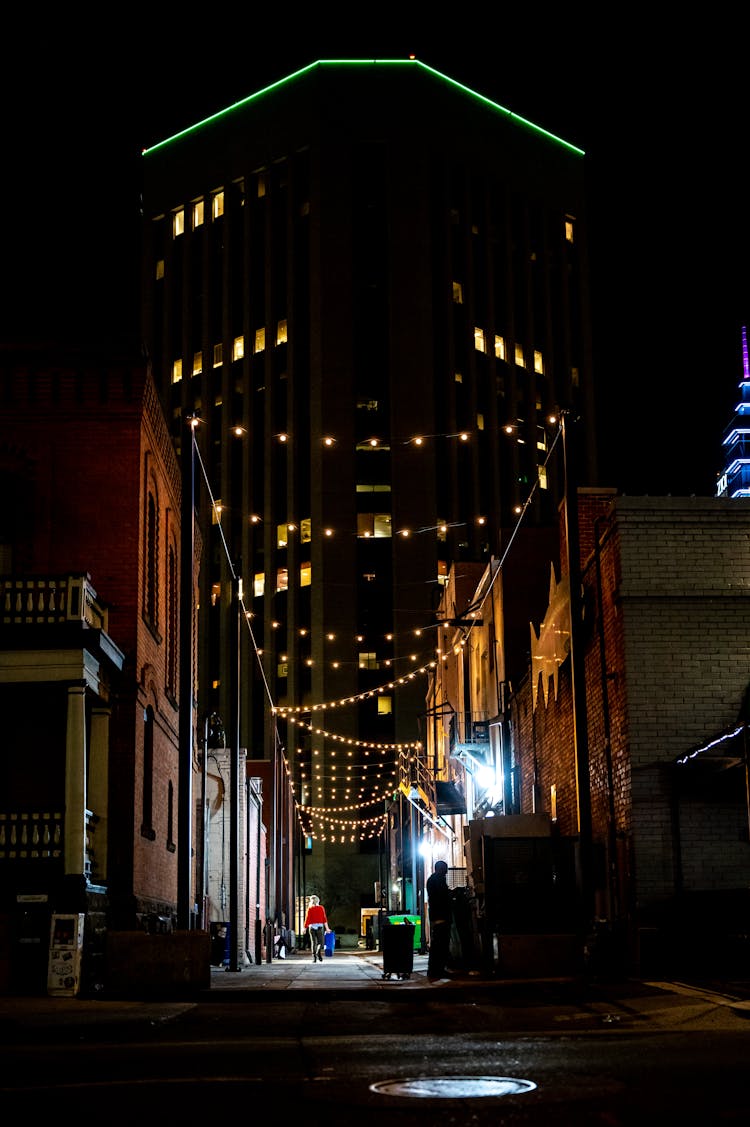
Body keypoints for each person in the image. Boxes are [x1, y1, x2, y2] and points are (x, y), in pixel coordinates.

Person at [426, 859, 454, 982]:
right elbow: (442, 896)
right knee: (440, 945)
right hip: (441, 916)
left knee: (437, 945)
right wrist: (452, 894)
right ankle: (437, 970)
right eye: (445, 869)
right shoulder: (438, 880)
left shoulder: (432, 879)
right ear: (441, 869)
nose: (446, 871)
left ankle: (434, 970)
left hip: (436, 916)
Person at [303, 895, 330, 962]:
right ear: (318, 900)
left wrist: (304, 928)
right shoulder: (321, 908)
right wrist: (327, 928)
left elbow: (307, 919)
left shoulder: (310, 908)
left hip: (311, 927)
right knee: (320, 942)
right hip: (319, 928)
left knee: (313, 942)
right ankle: (318, 951)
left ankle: (314, 958)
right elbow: (324, 919)